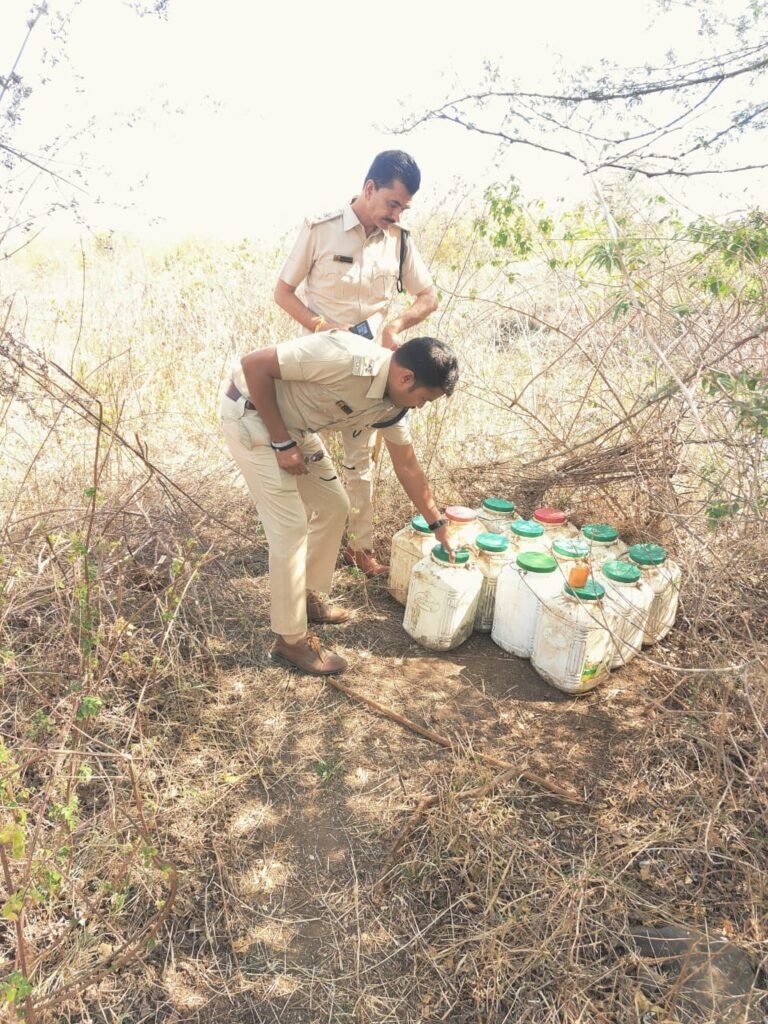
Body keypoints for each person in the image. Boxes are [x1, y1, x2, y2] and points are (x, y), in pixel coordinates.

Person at [221, 330, 458, 676]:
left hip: (295, 427)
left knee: (334, 505)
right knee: (290, 527)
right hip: (252, 414)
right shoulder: (344, 357)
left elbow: (407, 466)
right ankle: (291, 640)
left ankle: (306, 596)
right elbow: (253, 365)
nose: (420, 407)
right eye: (423, 399)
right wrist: (282, 443)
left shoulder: (392, 404)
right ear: (406, 378)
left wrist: (438, 524)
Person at [274, 150, 439, 577]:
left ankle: (359, 548)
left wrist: (397, 324)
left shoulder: (399, 240)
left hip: (376, 374)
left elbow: (428, 296)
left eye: (403, 208)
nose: (396, 214)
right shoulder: (321, 229)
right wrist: (320, 325)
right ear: (369, 188)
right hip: (321, 370)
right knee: (298, 456)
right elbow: (283, 293)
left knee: (360, 463)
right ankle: (297, 547)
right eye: (392, 203)